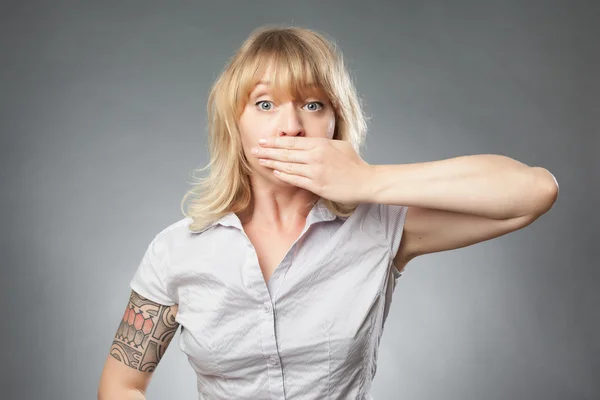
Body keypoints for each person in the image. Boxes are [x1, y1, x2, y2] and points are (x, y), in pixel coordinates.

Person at [98, 25, 559, 400]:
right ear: (234, 124)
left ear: (336, 120)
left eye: (313, 104)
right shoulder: (176, 251)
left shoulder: (382, 228)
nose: (292, 126)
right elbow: (121, 385)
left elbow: (534, 191)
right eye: (265, 104)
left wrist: (369, 180)